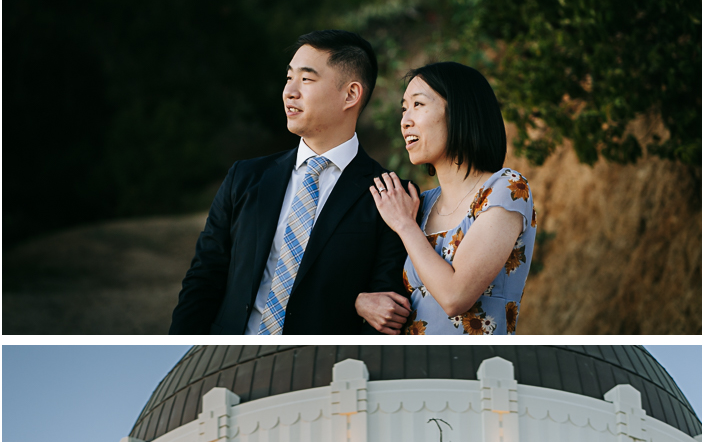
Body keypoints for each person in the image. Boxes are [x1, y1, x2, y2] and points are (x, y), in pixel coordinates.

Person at [169, 30, 410, 336]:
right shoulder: (245, 177)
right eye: (288, 78)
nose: (289, 92)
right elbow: (204, 278)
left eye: (306, 80)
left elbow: (384, 311)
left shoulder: (390, 195)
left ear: (350, 94)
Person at [369, 61, 536, 335]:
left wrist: (405, 226)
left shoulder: (506, 188)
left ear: (459, 111)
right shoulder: (418, 205)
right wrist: (360, 303)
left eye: (418, 105)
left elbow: (455, 297)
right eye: (403, 108)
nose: (405, 120)